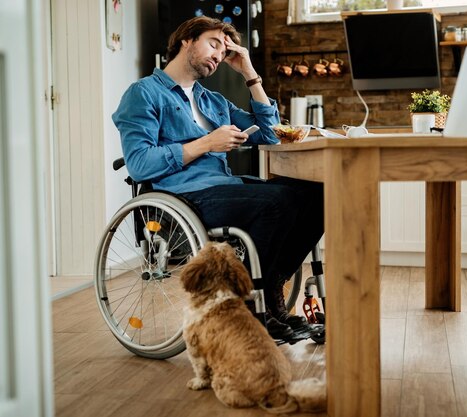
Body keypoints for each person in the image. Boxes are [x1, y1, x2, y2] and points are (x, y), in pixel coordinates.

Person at [112, 16, 324, 340]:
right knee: (278, 202)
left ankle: (271, 291)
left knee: (318, 193)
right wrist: (207, 143)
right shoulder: (143, 94)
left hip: (224, 188)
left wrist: (250, 73)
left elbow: (270, 134)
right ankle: (259, 307)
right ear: (187, 39)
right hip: (182, 197)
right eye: (213, 43)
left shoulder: (212, 101)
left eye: (224, 52)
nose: (218, 55)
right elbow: (140, 163)